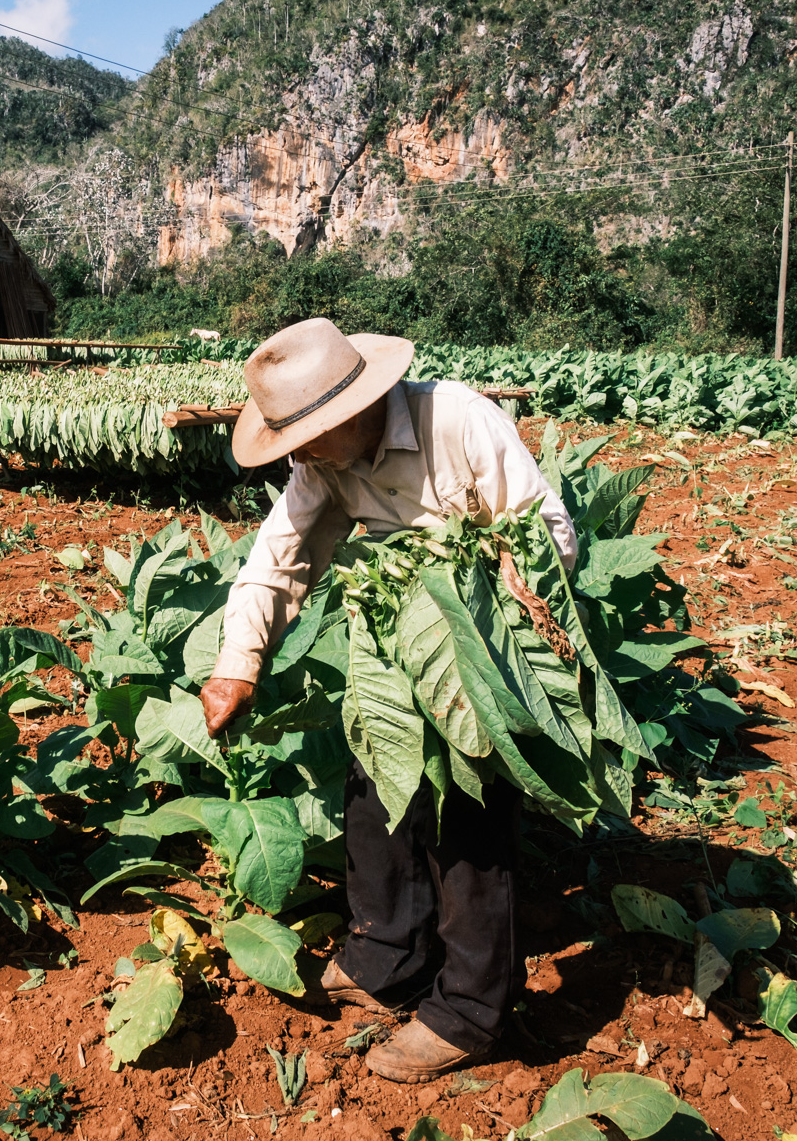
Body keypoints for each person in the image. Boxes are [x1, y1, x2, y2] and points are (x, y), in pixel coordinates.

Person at [199, 317, 579, 1084]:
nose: (298, 453)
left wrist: (481, 589)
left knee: (469, 817)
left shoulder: (460, 420)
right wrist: (237, 663)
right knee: (375, 796)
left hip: (487, 643)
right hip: (398, 645)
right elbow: (280, 557)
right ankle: (388, 955)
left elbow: (550, 534)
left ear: (353, 409)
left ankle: (472, 1010)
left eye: (306, 435)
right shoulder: (324, 465)